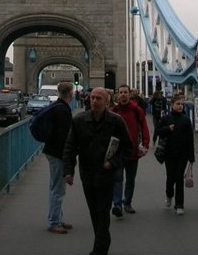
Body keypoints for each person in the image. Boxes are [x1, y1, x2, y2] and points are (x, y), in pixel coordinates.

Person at [63, 87, 132, 255]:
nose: (94, 101)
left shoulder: (116, 121)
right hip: (87, 173)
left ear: (107, 101)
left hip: (107, 174)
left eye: (98, 98)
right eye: (92, 98)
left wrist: (113, 163)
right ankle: (102, 241)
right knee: (94, 211)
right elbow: (70, 147)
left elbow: (127, 148)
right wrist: (68, 171)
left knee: (102, 211)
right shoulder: (79, 120)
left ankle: (100, 249)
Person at [110, 84, 150, 216]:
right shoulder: (114, 110)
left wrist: (145, 144)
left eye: (125, 92)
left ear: (129, 94)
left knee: (131, 179)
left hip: (133, 150)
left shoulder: (136, 110)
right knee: (117, 178)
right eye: (120, 92)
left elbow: (144, 127)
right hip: (118, 151)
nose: (123, 94)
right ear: (118, 94)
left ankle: (127, 202)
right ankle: (117, 205)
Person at [154, 93, 194, 215]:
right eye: (178, 104)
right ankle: (169, 194)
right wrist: (168, 129)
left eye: (182, 104)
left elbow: (190, 139)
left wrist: (191, 157)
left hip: (183, 154)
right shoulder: (166, 118)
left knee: (179, 178)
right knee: (170, 177)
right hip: (169, 153)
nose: (180, 106)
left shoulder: (186, 120)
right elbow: (158, 131)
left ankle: (179, 205)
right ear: (172, 105)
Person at [43, 81, 74, 234]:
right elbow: (65, 137)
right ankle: (54, 222)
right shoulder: (62, 110)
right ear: (71, 94)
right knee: (58, 190)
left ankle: (57, 219)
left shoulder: (56, 106)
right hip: (58, 153)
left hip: (52, 151)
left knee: (54, 187)